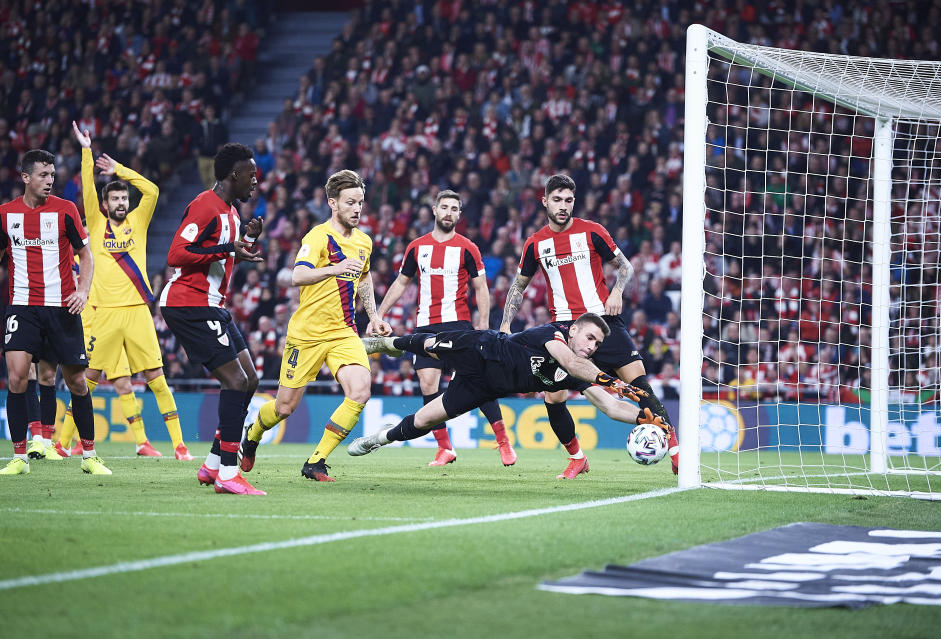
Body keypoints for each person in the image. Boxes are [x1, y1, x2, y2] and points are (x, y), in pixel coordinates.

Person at [498, 174, 678, 479]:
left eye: (568, 200)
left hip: (604, 321)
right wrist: (504, 325)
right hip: (566, 331)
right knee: (553, 397)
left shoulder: (593, 232)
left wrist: (618, 291)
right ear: (545, 201)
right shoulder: (535, 243)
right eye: (557, 200)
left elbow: (626, 266)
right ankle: (577, 458)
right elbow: (519, 286)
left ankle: (675, 450)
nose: (563, 206)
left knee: (638, 385)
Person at [349, 314, 668, 475]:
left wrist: (645, 417)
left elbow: (610, 407)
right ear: (573, 330)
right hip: (479, 349)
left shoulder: (574, 371)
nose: (592, 347)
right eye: (589, 337)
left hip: (482, 387)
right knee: (429, 345)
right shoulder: (553, 336)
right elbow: (571, 360)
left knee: (425, 418)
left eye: (597, 344)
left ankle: (379, 439)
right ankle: (385, 345)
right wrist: (612, 380)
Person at [239, 169, 391, 482]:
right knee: (283, 408)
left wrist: (373, 315)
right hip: (306, 335)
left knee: (360, 390)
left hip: (342, 332)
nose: (357, 209)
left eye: (360, 202)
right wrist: (334, 268)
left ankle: (316, 461)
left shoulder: (364, 242)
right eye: (350, 202)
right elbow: (297, 276)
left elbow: (364, 276)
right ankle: (252, 432)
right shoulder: (318, 237)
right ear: (333, 203)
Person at [58, 122, 194, 460]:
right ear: (104, 204)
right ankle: (61, 444)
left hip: (137, 311)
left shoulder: (139, 221)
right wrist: (87, 151)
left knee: (156, 378)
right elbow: (88, 187)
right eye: (115, 198)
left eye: (123, 198)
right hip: (103, 313)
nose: (120, 202)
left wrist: (120, 170)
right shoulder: (96, 222)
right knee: (86, 379)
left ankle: (179, 446)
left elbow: (152, 191)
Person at [373, 189, 515, 467]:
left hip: (458, 325)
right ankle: (444, 448)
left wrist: (483, 325)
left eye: (454, 209)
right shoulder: (416, 247)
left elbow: (480, 288)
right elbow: (401, 282)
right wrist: (379, 313)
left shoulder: (468, 247)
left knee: (477, 381)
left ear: (459, 215)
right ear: (435, 211)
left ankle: (503, 442)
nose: (449, 213)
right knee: (428, 383)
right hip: (425, 326)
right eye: (445, 207)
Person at [158, 143, 264, 495]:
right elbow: (176, 253)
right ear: (233, 174)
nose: (255, 181)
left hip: (213, 304)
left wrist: (246, 241)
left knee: (249, 378)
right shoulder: (206, 205)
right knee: (235, 380)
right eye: (251, 175)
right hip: (189, 303)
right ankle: (229, 475)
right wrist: (228, 249)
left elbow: (223, 254)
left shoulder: (232, 213)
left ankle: (214, 465)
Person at [0, 148, 109, 475]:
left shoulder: (66, 211)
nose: (50, 180)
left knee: (77, 382)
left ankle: (89, 456)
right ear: (25, 178)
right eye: (43, 175)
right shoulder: (5, 214)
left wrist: (82, 290)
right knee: (17, 377)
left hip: (61, 307)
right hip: (22, 306)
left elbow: (86, 256)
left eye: (52, 174)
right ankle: (19, 457)